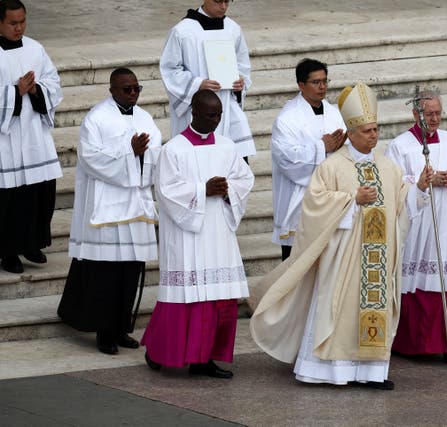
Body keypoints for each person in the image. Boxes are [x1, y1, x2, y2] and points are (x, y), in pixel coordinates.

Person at [251, 82, 434, 390]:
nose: (373, 135)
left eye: (376, 129)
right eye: (366, 131)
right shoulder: (332, 166)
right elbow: (313, 206)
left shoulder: (389, 168)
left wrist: (420, 189)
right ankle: (328, 371)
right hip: (342, 259)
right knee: (338, 312)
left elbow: (402, 206)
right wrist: (351, 200)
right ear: (351, 133)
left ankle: (371, 372)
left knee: (373, 310)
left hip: (376, 262)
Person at [141, 90, 254, 379]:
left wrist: (229, 190)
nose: (215, 120)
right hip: (187, 235)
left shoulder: (228, 147)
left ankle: (206, 359)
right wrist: (203, 190)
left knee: (220, 300)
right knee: (186, 300)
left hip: (219, 233)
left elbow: (245, 179)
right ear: (194, 112)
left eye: (218, 115)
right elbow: (165, 191)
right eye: (209, 115)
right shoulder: (174, 149)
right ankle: (158, 351)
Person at [57, 68, 161, 355]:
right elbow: (90, 158)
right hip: (108, 206)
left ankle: (121, 327)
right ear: (112, 89)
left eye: (136, 88)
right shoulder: (97, 118)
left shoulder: (144, 117)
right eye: (126, 89)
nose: (132, 94)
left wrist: (142, 153)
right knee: (107, 273)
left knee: (130, 270)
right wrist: (130, 153)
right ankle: (104, 332)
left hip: (135, 203)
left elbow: (157, 150)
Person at [385, 90, 447, 362]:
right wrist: (421, 181)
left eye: (439, 113)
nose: (435, 118)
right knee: (416, 283)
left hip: (445, 221)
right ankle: (415, 345)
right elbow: (392, 182)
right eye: (429, 114)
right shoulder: (400, 145)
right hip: (417, 223)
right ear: (415, 115)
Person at [0, 0, 62, 274]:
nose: (19, 27)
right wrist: (14, 92)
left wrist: (38, 89)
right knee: (10, 198)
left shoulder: (36, 48)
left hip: (35, 135)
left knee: (39, 193)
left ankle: (31, 243)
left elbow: (54, 82)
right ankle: (8, 252)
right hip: (7, 140)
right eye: (13, 23)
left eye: (22, 21)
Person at [160, 0, 256, 160]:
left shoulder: (233, 28)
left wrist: (240, 81)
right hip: (197, 107)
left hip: (227, 105)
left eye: (227, 1)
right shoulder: (182, 31)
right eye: (218, 1)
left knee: (233, 160)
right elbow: (170, 69)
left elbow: (243, 64)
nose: (223, 6)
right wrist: (198, 84)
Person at [271, 58, 346, 261]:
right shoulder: (287, 119)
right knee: (295, 265)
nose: (322, 87)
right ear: (301, 85)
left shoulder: (334, 113)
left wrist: (342, 146)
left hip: (330, 197)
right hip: (300, 200)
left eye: (325, 81)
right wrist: (322, 147)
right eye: (316, 82)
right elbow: (285, 158)